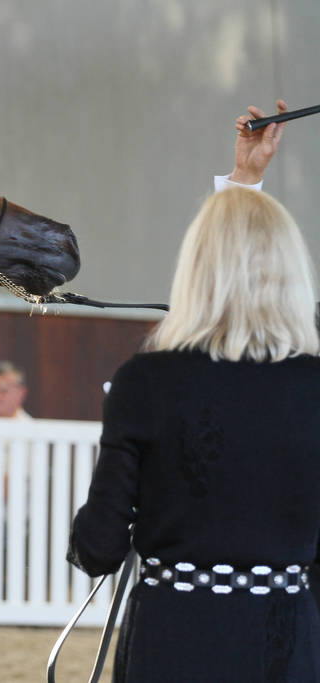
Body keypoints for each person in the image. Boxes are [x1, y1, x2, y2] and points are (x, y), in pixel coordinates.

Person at [67, 115, 320, 678]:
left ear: (194, 271)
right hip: (286, 641)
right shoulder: (312, 385)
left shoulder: (146, 382)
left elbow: (101, 545)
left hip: (173, 638)